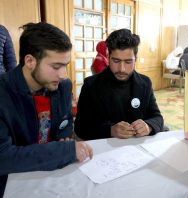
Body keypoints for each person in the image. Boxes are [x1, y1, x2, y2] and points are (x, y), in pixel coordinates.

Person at [0, 22, 93, 197]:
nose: (64, 74)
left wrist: (65, 144)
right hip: (13, 183)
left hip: (55, 176)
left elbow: (64, 131)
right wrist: (65, 150)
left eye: (65, 65)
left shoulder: (63, 87)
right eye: (56, 67)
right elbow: (3, 157)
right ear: (29, 61)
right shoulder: (3, 94)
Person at [74, 29, 164, 140]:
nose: (122, 69)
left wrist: (148, 126)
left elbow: (157, 117)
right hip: (106, 151)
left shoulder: (145, 83)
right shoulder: (91, 85)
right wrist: (110, 130)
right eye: (116, 61)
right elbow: (80, 128)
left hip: (138, 149)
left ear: (135, 59)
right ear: (108, 57)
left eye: (128, 62)